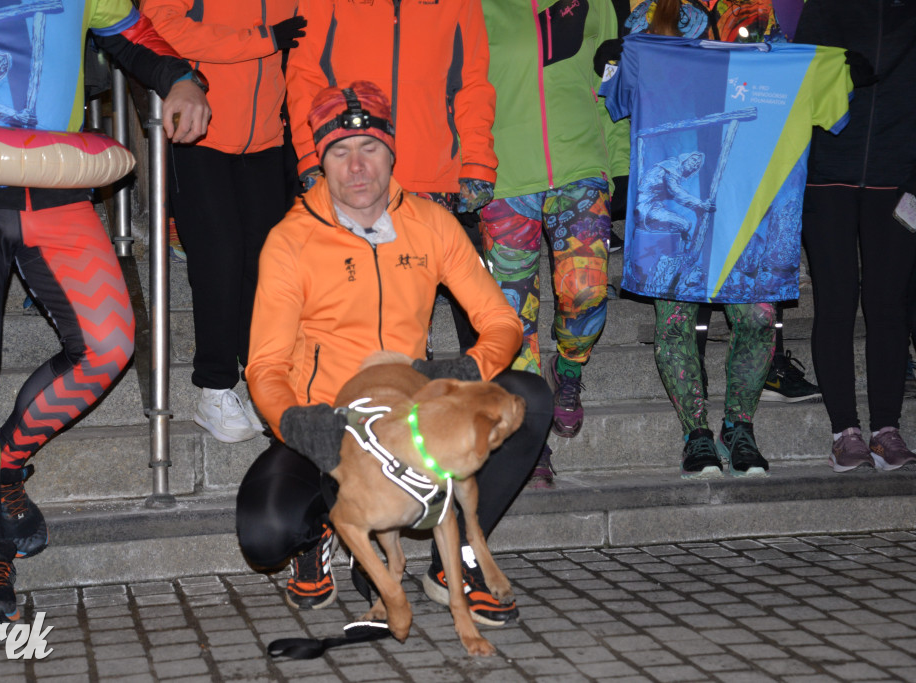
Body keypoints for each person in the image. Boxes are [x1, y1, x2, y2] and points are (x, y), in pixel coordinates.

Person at [0, 1, 210, 623]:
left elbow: (127, 31)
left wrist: (180, 78)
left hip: (56, 191)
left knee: (110, 345)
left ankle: (4, 464)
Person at [237, 82, 551, 624]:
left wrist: (460, 371)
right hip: (327, 419)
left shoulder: (431, 223)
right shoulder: (291, 240)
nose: (356, 167)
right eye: (340, 152)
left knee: (528, 398)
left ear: (391, 154)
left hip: (408, 417)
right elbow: (264, 365)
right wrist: (296, 423)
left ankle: (456, 563)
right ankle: (323, 531)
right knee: (266, 534)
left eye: (370, 149)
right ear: (321, 161)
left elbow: (501, 321)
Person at [600, 21, 852, 479]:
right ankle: (695, 433)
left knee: (758, 320)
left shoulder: (773, 40)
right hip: (676, 225)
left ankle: (739, 427)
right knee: (674, 321)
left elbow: (833, 100)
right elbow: (615, 91)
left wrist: (838, 67)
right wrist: (620, 59)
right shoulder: (654, 36)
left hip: (747, 212)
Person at [285, 0, 498, 354]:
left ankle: (413, 398)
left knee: (412, 317)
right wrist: (312, 158)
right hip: (354, 177)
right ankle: (380, 400)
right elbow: (305, 77)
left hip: (431, 181)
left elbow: (473, 84)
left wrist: (477, 163)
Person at [479, 0, 630, 487]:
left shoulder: (595, 3)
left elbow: (612, 85)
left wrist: (621, 162)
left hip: (581, 165)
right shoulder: (475, 8)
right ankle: (530, 434)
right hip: (505, 177)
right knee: (512, 314)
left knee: (585, 292)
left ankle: (568, 369)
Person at [141, 0, 305, 444]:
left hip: (268, 137)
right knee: (219, 258)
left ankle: (259, 381)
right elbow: (161, 28)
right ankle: (214, 388)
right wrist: (262, 40)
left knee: (264, 263)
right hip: (198, 133)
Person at [795, 0, 916, 473]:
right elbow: (799, 76)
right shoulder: (826, 6)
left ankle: (887, 429)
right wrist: (836, 71)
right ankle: (844, 431)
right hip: (829, 174)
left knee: (888, 304)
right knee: (837, 302)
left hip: (899, 176)